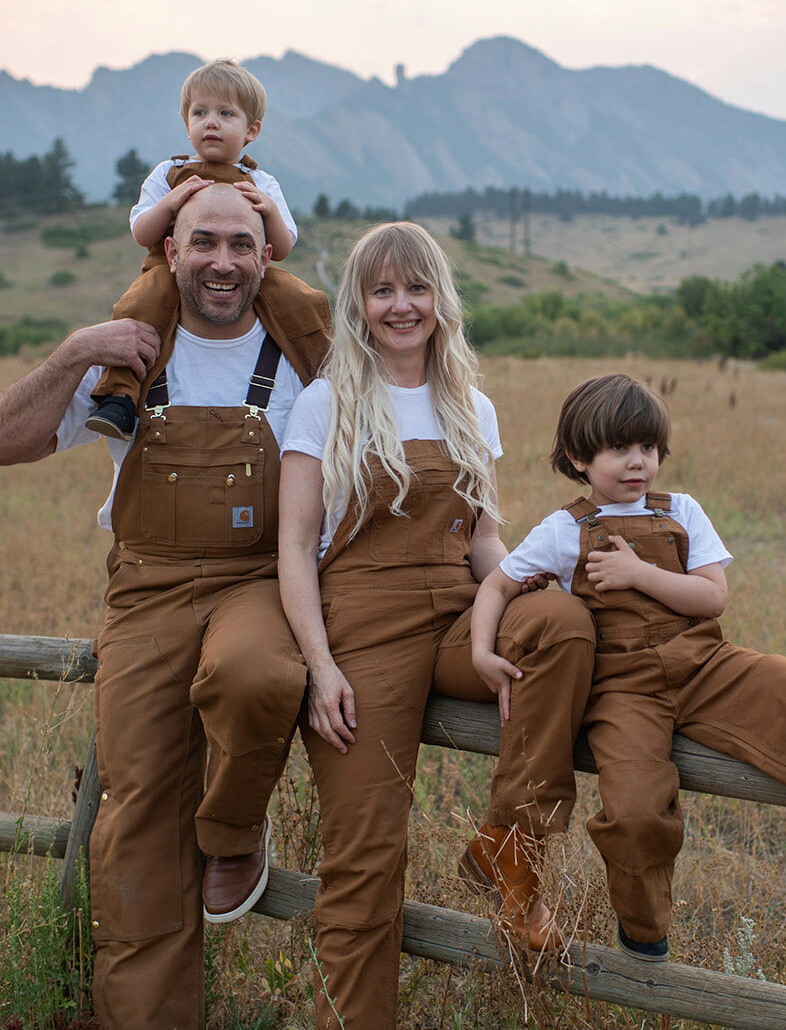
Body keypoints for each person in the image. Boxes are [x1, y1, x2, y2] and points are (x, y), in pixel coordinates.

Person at [471, 373, 786, 962]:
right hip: (622, 690)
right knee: (636, 807)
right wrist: (484, 652)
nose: (637, 463)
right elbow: (497, 585)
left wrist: (641, 575)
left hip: (705, 665)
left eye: (648, 449)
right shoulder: (563, 529)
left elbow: (712, 597)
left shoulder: (682, 511)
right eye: (619, 449)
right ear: (579, 457)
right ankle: (642, 929)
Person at [0, 183, 330, 1028]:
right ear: (169, 251)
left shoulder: (301, 363)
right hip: (145, 590)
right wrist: (74, 351)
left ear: (267, 254)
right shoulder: (128, 356)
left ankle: (233, 831)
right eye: (202, 241)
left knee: (256, 673)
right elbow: (1, 442)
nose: (222, 261)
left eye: (240, 244)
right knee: (136, 815)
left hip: (259, 580)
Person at [276, 222, 596, 1030]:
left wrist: (523, 596)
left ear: (439, 299)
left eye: (415, 288)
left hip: (456, 610)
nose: (401, 305)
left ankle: (509, 853)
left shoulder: (468, 402)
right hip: (362, 625)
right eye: (382, 290)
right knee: (366, 856)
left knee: (560, 621)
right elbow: (293, 548)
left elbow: (485, 537)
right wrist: (320, 664)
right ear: (359, 303)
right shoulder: (326, 403)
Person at [86, 56, 327, 440]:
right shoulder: (168, 174)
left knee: (305, 301)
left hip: (255, 271)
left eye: (225, 113)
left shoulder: (262, 182)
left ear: (252, 130)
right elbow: (141, 232)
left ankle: (329, 379)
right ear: (187, 125)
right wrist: (170, 202)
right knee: (136, 310)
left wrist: (269, 213)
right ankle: (119, 396)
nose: (210, 122)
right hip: (170, 270)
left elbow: (281, 248)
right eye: (200, 112)